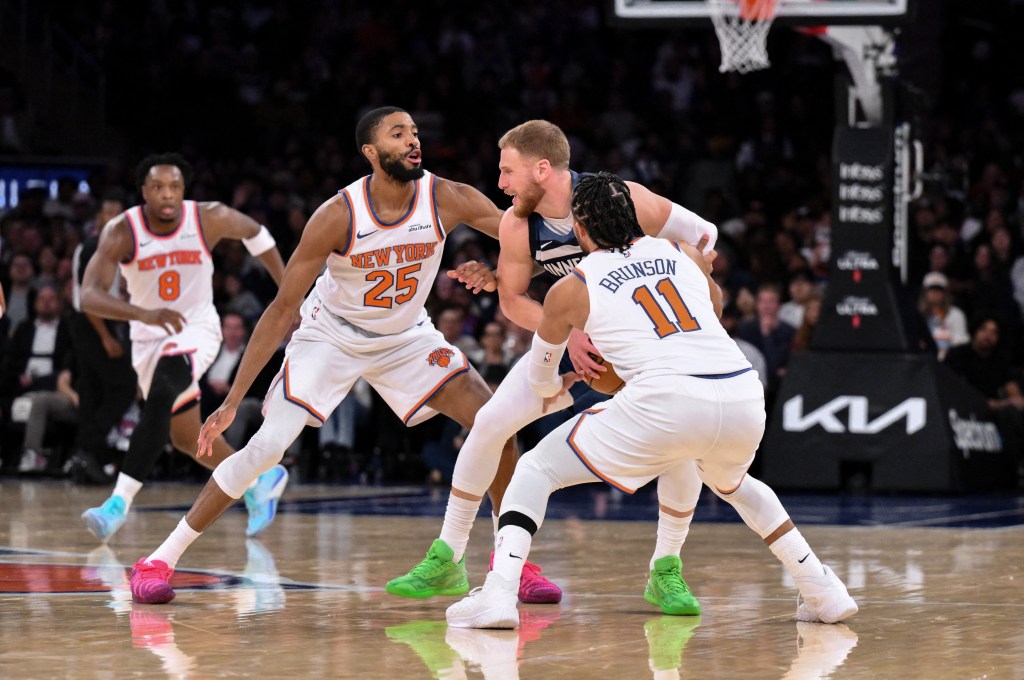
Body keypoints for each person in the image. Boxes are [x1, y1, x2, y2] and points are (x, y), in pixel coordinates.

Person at [125, 106, 549, 605]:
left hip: (405, 336)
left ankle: (512, 561)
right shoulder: (338, 214)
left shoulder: (446, 196)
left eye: (415, 132)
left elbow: (533, 240)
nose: (413, 141)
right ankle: (158, 559)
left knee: (495, 423)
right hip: (331, 335)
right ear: (371, 152)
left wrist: (502, 277)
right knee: (266, 448)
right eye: (398, 134)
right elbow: (283, 309)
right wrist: (233, 398)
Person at [445, 172, 857, 629]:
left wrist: (565, 389)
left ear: (581, 230)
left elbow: (543, 377)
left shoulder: (573, 287)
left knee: (535, 469)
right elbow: (713, 312)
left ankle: (499, 595)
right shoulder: (686, 254)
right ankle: (822, 589)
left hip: (666, 398)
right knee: (735, 485)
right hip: (740, 391)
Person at [388, 120, 717, 614]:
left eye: (507, 171)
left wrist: (694, 308)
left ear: (543, 169)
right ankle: (448, 555)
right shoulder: (518, 223)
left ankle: (666, 569)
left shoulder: (621, 199)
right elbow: (512, 298)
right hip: (571, 337)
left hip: (646, 346)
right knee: (492, 421)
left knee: (679, 448)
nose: (500, 184)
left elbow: (704, 236)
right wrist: (571, 328)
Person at [79, 152, 288, 542]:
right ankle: (261, 480)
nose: (167, 194)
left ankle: (117, 505)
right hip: (148, 337)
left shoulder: (207, 217)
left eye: (174, 186)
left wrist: (287, 289)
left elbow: (256, 233)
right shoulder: (122, 231)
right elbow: (88, 297)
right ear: (143, 192)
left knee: (161, 393)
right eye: (157, 187)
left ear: (184, 190)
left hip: (196, 329)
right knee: (186, 438)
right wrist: (143, 314)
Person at [66, 190, 138, 484]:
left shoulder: (108, 246)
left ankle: (88, 460)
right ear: (98, 218)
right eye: (109, 212)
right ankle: (89, 447)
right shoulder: (95, 244)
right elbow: (87, 297)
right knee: (124, 385)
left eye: (120, 214)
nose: (115, 219)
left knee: (92, 391)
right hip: (92, 323)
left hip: (93, 322)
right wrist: (106, 336)